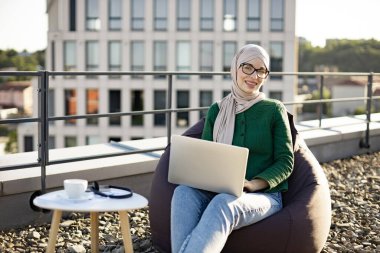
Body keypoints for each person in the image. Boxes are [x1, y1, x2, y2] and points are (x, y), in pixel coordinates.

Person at [170, 44, 294, 253]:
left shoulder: (274, 110)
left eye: (261, 70)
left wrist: (254, 184)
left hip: (264, 195)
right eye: (248, 68)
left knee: (223, 204)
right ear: (235, 67)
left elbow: (286, 161)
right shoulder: (217, 110)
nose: (254, 76)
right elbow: (206, 156)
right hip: (218, 189)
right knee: (182, 193)